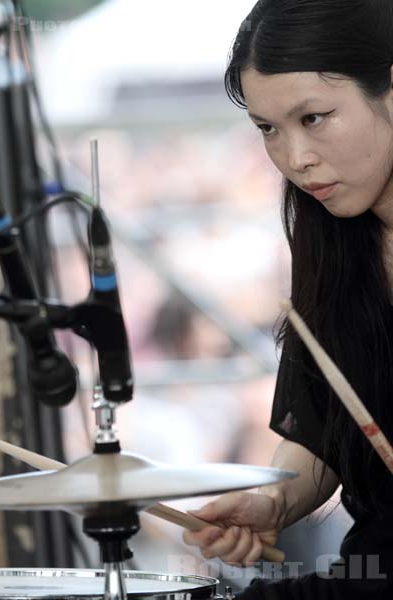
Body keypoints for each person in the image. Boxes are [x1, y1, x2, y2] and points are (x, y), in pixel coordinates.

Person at [182, 1, 393, 597]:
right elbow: (326, 424)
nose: (295, 159)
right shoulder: (332, 238)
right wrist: (274, 501)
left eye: (315, 118)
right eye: (269, 129)